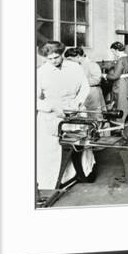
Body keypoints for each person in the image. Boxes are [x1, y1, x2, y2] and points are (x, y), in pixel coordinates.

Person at [36, 42, 93, 190]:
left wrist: (77, 102)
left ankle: (81, 174)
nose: (54, 61)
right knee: (53, 151)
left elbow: (84, 87)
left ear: (62, 54)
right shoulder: (41, 72)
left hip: (75, 110)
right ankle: (54, 182)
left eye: (57, 57)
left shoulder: (74, 67)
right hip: (52, 116)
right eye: (50, 59)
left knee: (80, 145)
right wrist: (51, 107)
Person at [106, 41, 128, 120]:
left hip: (121, 84)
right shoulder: (127, 58)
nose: (113, 54)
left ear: (116, 50)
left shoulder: (121, 60)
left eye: (113, 52)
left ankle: (121, 123)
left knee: (121, 103)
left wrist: (105, 76)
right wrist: (126, 74)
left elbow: (115, 76)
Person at [74, 47, 106, 114]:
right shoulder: (80, 65)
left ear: (78, 57)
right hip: (86, 93)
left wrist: (81, 82)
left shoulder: (92, 64)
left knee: (96, 115)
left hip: (93, 93)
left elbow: (97, 80)